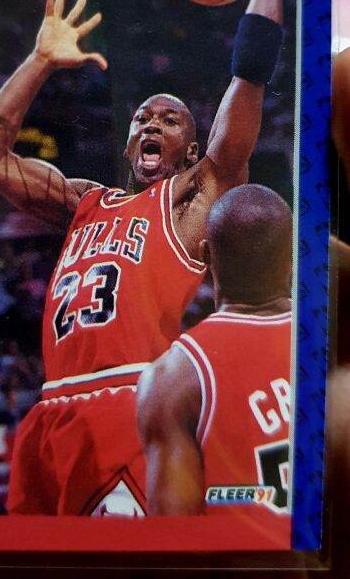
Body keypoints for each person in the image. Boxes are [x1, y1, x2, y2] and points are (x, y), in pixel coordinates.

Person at [0, 0, 284, 515]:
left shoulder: (190, 198)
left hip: (129, 403)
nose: (152, 122)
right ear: (129, 144)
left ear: (191, 150)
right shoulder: (84, 201)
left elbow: (248, 78)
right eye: (142, 118)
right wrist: (40, 60)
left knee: (121, 556)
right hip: (48, 415)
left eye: (170, 118)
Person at [136, 185, 292, 547]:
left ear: (206, 254)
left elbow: (172, 540)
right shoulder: (331, 345)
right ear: (291, 253)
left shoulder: (172, 377)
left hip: (245, 563)